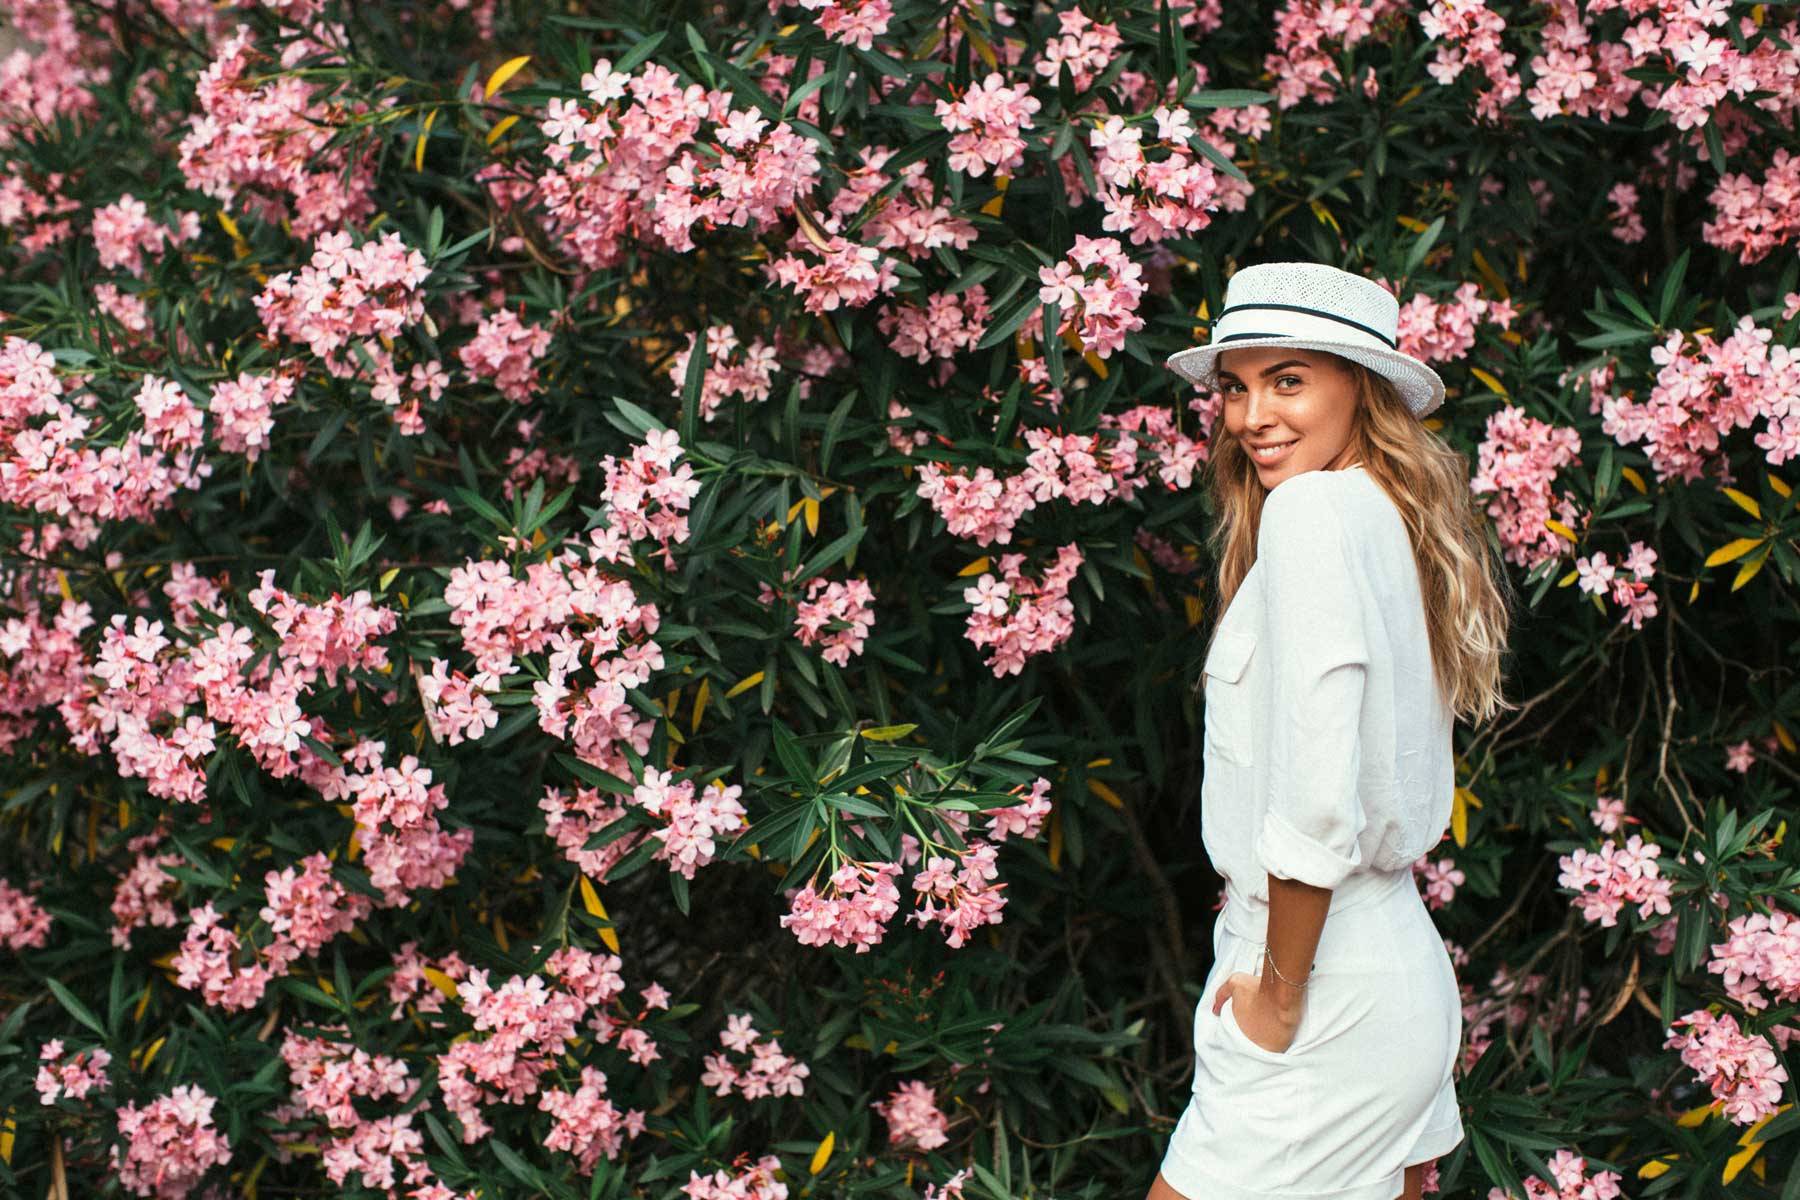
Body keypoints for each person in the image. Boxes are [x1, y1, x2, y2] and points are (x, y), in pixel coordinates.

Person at [1148, 261, 1517, 1200]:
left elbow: (1318, 793)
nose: (1251, 416)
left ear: (1363, 385)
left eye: (1289, 379)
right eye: (1236, 387)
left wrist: (1277, 994)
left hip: (1318, 990)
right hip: (1378, 966)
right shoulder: (1377, 514)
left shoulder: (1312, 514)